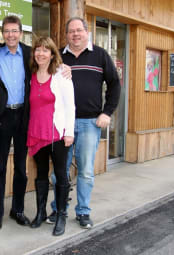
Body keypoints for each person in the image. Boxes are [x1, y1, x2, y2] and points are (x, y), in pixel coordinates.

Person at [46, 17, 121, 229]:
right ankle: (58, 208)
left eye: (79, 30)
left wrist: (107, 112)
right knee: (59, 171)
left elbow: (115, 84)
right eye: (71, 31)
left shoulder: (100, 55)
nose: (75, 34)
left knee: (86, 171)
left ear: (87, 32)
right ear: (67, 34)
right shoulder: (58, 57)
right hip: (62, 124)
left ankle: (83, 211)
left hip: (90, 123)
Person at [27, 36, 75, 236]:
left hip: (57, 133)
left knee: (61, 175)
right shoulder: (30, 75)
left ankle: (61, 215)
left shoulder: (61, 75)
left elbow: (70, 106)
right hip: (37, 132)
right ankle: (40, 213)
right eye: (38, 50)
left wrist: (69, 132)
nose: (41, 53)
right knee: (41, 175)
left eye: (45, 50)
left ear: (52, 53)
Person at [0, 15, 32, 230]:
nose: (11, 35)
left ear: (21, 33)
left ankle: (18, 210)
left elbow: (52, 64)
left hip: (24, 116)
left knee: (21, 169)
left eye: (15, 31)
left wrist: (65, 69)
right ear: (2, 33)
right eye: (7, 31)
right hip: (3, 116)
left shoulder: (30, 53)